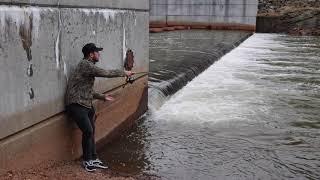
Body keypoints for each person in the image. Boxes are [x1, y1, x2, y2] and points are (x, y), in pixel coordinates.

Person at [65, 43, 133, 172]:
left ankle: (93, 158)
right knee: (88, 131)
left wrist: (102, 97)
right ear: (91, 54)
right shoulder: (86, 65)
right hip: (75, 104)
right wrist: (124, 73)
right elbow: (105, 73)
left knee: (91, 132)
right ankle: (87, 161)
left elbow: (85, 89)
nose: (99, 54)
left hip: (86, 103)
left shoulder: (88, 67)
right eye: (97, 52)